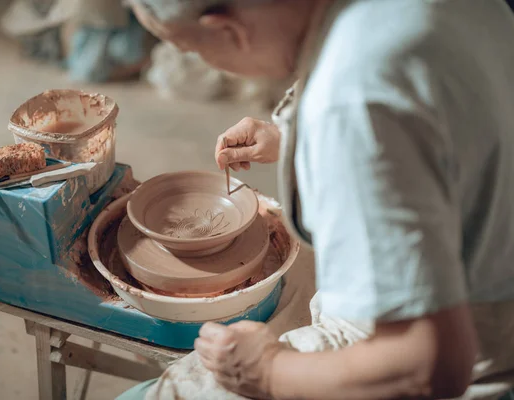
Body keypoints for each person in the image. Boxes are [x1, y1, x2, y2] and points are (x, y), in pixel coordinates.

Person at [119, 0, 514, 399]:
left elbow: (432, 364)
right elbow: (435, 121)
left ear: (228, 31)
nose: (199, 59)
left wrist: (269, 372)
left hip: (470, 363)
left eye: (191, 49)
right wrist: (298, 139)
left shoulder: (352, 99)